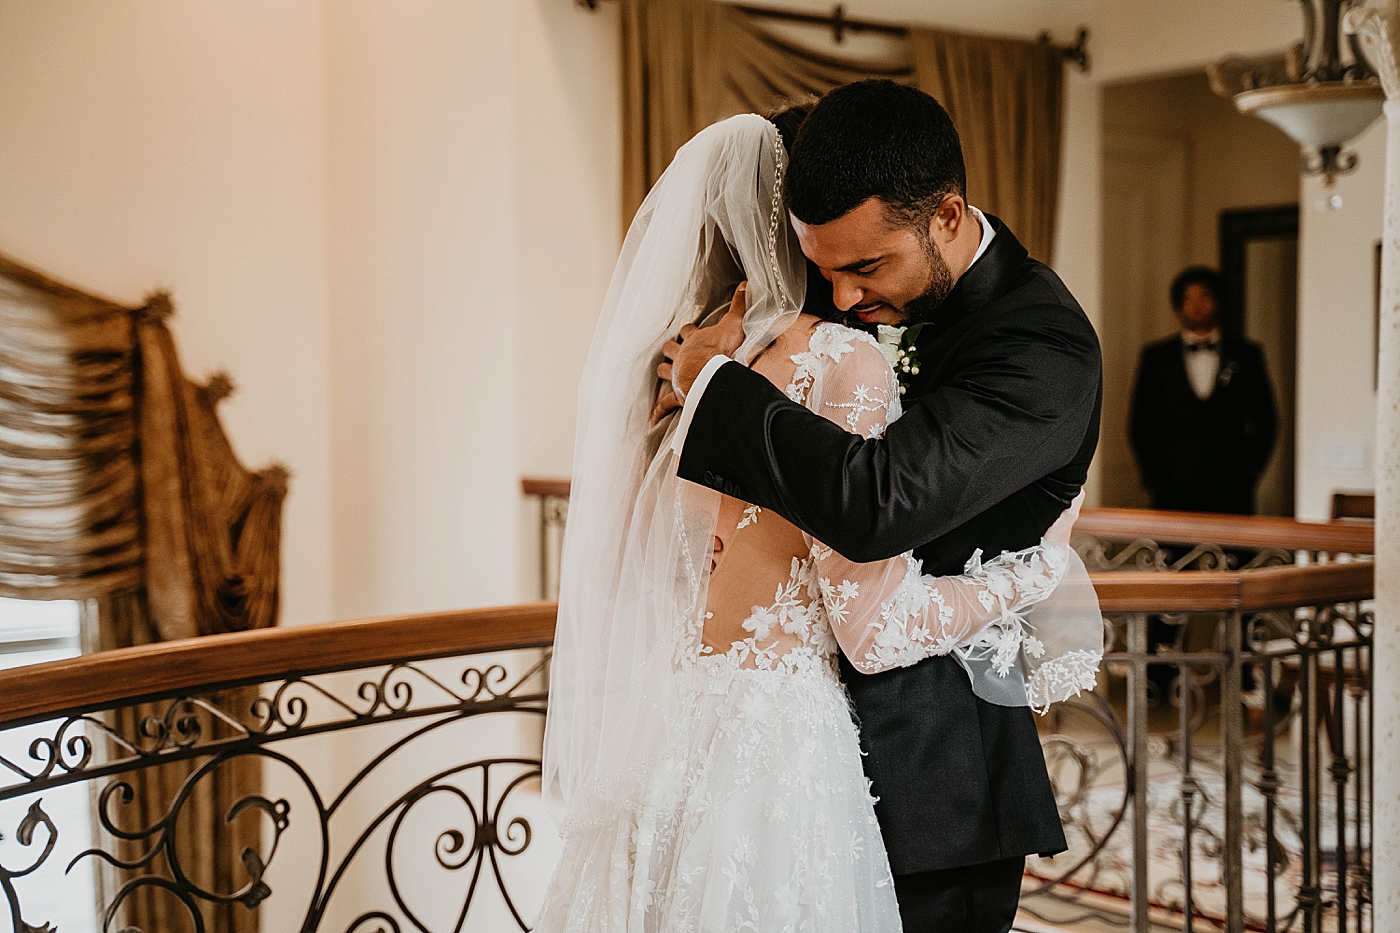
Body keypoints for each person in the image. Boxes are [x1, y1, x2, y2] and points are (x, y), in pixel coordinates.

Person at [538, 112, 1100, 932]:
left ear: (945, 216)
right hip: (775, 755)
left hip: (929, 776)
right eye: (826, 268)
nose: (846, 297)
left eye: (866, 267)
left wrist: (717, 386)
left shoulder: (1039, 342)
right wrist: (1035, 572)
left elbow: (878, 499)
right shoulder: (780, 353)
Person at [1128, 266, 1279, 514]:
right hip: (1172, 486)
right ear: (1178, 304)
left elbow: (1266, 419)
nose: (1196, 305)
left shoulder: (1246, 354)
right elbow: (1141, 422)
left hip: (1232, 485)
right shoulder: (1156, 357)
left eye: (1204, 297)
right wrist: (1153, 476)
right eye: (1188, 298)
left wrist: (1250, 471)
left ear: (1217, 301)